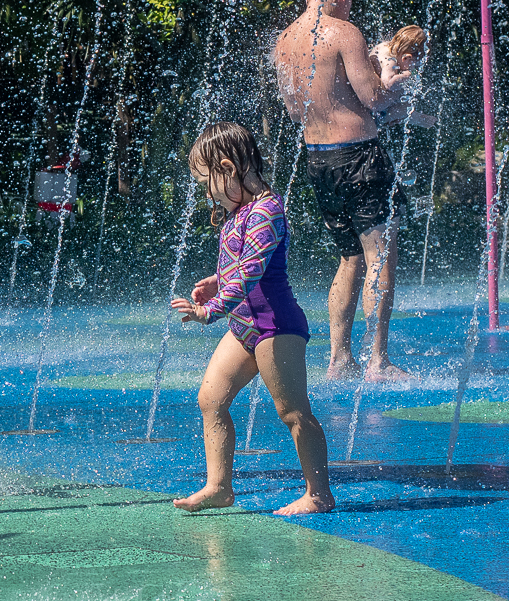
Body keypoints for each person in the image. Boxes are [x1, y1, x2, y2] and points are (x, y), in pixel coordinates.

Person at [171, 122, 335, 516]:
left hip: (275, 325)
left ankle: (318, 493)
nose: (205, 191)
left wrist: (209, 310)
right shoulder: (239, 212)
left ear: (227, 168)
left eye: (206, 180)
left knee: (293, 411)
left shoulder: (266, 210)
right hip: (245, 325)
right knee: (211, 399)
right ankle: (219, 487)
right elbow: (239, 267)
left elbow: (250, 272)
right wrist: (216, 281)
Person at [274, 0, 413, 382]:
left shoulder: (286, 39)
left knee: (349, 257)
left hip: (317, 158)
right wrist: (396, 82)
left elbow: (293, 110)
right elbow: (374, 99)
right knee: (379, 256)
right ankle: (378, 362)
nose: (351, 3)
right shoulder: (344, 33)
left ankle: (339, 360)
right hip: (359, 157)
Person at [370, 25, 437, 128]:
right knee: (405, 109)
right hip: (372, 111)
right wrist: (408, 75)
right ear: (406, 58)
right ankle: (419, 119)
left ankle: (395, 117)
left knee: (400, 105)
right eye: (415, 66)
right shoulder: (390, 60)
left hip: (371, 106)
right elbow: (388, 84)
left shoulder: (386, 47)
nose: (414, 70)